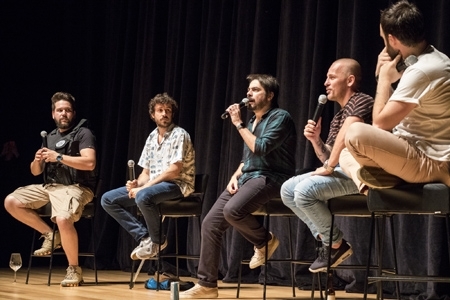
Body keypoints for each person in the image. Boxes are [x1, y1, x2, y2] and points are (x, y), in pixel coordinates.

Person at [180, 74, 297, 299]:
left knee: (232, 210)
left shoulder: (280, 117)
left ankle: (265, 240)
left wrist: (238, 123)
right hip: (248, 177)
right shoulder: (253, 121)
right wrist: (235, 174)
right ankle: (207, 285)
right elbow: (247, 157)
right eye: (249, 90)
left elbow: (260, 148)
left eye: (255, 90)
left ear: (270, 95)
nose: (249, 94)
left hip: (273, 177)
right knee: (210, 223)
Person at [341, 0, 450, 193]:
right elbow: (392, 114)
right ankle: (375, 182)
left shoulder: (422, 70)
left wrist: (383, 80)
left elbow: (381, 124)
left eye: (383, 39)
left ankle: (380, 183)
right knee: (345, 153)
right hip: (411, 149)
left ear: (392, 40)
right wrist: (381, 77)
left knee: (355, 133)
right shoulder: (429, 60)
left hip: (431, 160)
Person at [280, 58, 374, 273]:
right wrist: (316, 140)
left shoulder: (362, 101)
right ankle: (333, 243)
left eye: (332, 77)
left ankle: (334, 244)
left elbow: (347, 135)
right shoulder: (337, 116)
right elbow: (328, 156)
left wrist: (330, 167)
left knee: (305, 191)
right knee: (287, 190)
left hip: (362, 173)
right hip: (342, 169)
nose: (326, 83)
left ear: (349, 80)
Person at [4, 92, 97, 287]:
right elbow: (35, 172)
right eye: (59, 110)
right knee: (11, 201)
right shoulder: (50, 137)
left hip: (76, 187)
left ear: (73, 113)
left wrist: (59, 157)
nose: (64, 114)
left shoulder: (83, 133)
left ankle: (74, 270)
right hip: (50, 187)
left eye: (67, 110)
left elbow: (89, 163)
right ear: (53, 114)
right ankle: (50, 234)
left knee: (63, 218)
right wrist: (37, 160)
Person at [101, 93, 195, 260]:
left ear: (172, 114)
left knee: (143, 196)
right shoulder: (152, 137)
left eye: (168, 110)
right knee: (108, 199)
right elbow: (146, 172)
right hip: (154, 186)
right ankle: (145, 237)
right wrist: (137, 183)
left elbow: (174, 170)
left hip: (177, 185)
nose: (164, 114)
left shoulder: (179, 134)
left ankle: (158, 241)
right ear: (153, 114)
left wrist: (144, 187)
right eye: (160, 110)